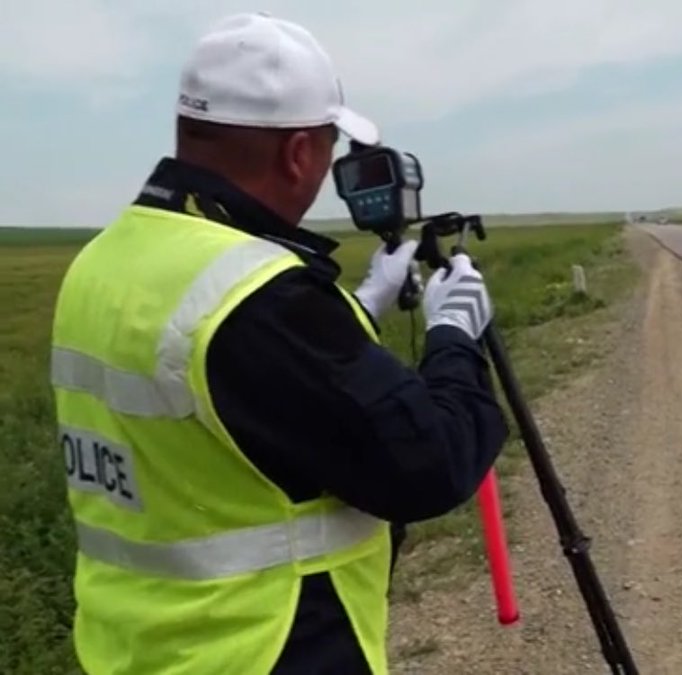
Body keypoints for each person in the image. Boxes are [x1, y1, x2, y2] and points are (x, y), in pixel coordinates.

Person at [48, 11, 509, 675]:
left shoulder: (104, 261)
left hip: (134, 649)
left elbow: (233, 391)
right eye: (328, 148)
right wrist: (453, 336)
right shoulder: (261, 300)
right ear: (298, 153)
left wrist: (357, 308)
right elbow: (428, 462)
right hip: (272, 645)